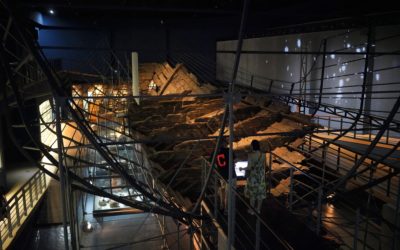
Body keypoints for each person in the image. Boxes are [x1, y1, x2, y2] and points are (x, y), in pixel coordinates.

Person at [244, 140, 268, 215]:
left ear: (252, 146)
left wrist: (242, 169)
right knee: (260, 194)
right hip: (261, 177)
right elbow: (265, 165)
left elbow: (249, 167)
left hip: (253, 177)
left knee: (252, 194)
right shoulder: (263, 155)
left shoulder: (250, 155)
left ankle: (252, 210)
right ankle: (258, 209)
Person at [215, 139, 236, 215]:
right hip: (230, 175)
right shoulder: (228, 150)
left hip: (221, 174)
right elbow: (234, 160)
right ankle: (226, 210)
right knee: (228, 194)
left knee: (222, 190)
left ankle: (221, 205)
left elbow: (212, 162)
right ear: (224, 143)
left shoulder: (215, 152)